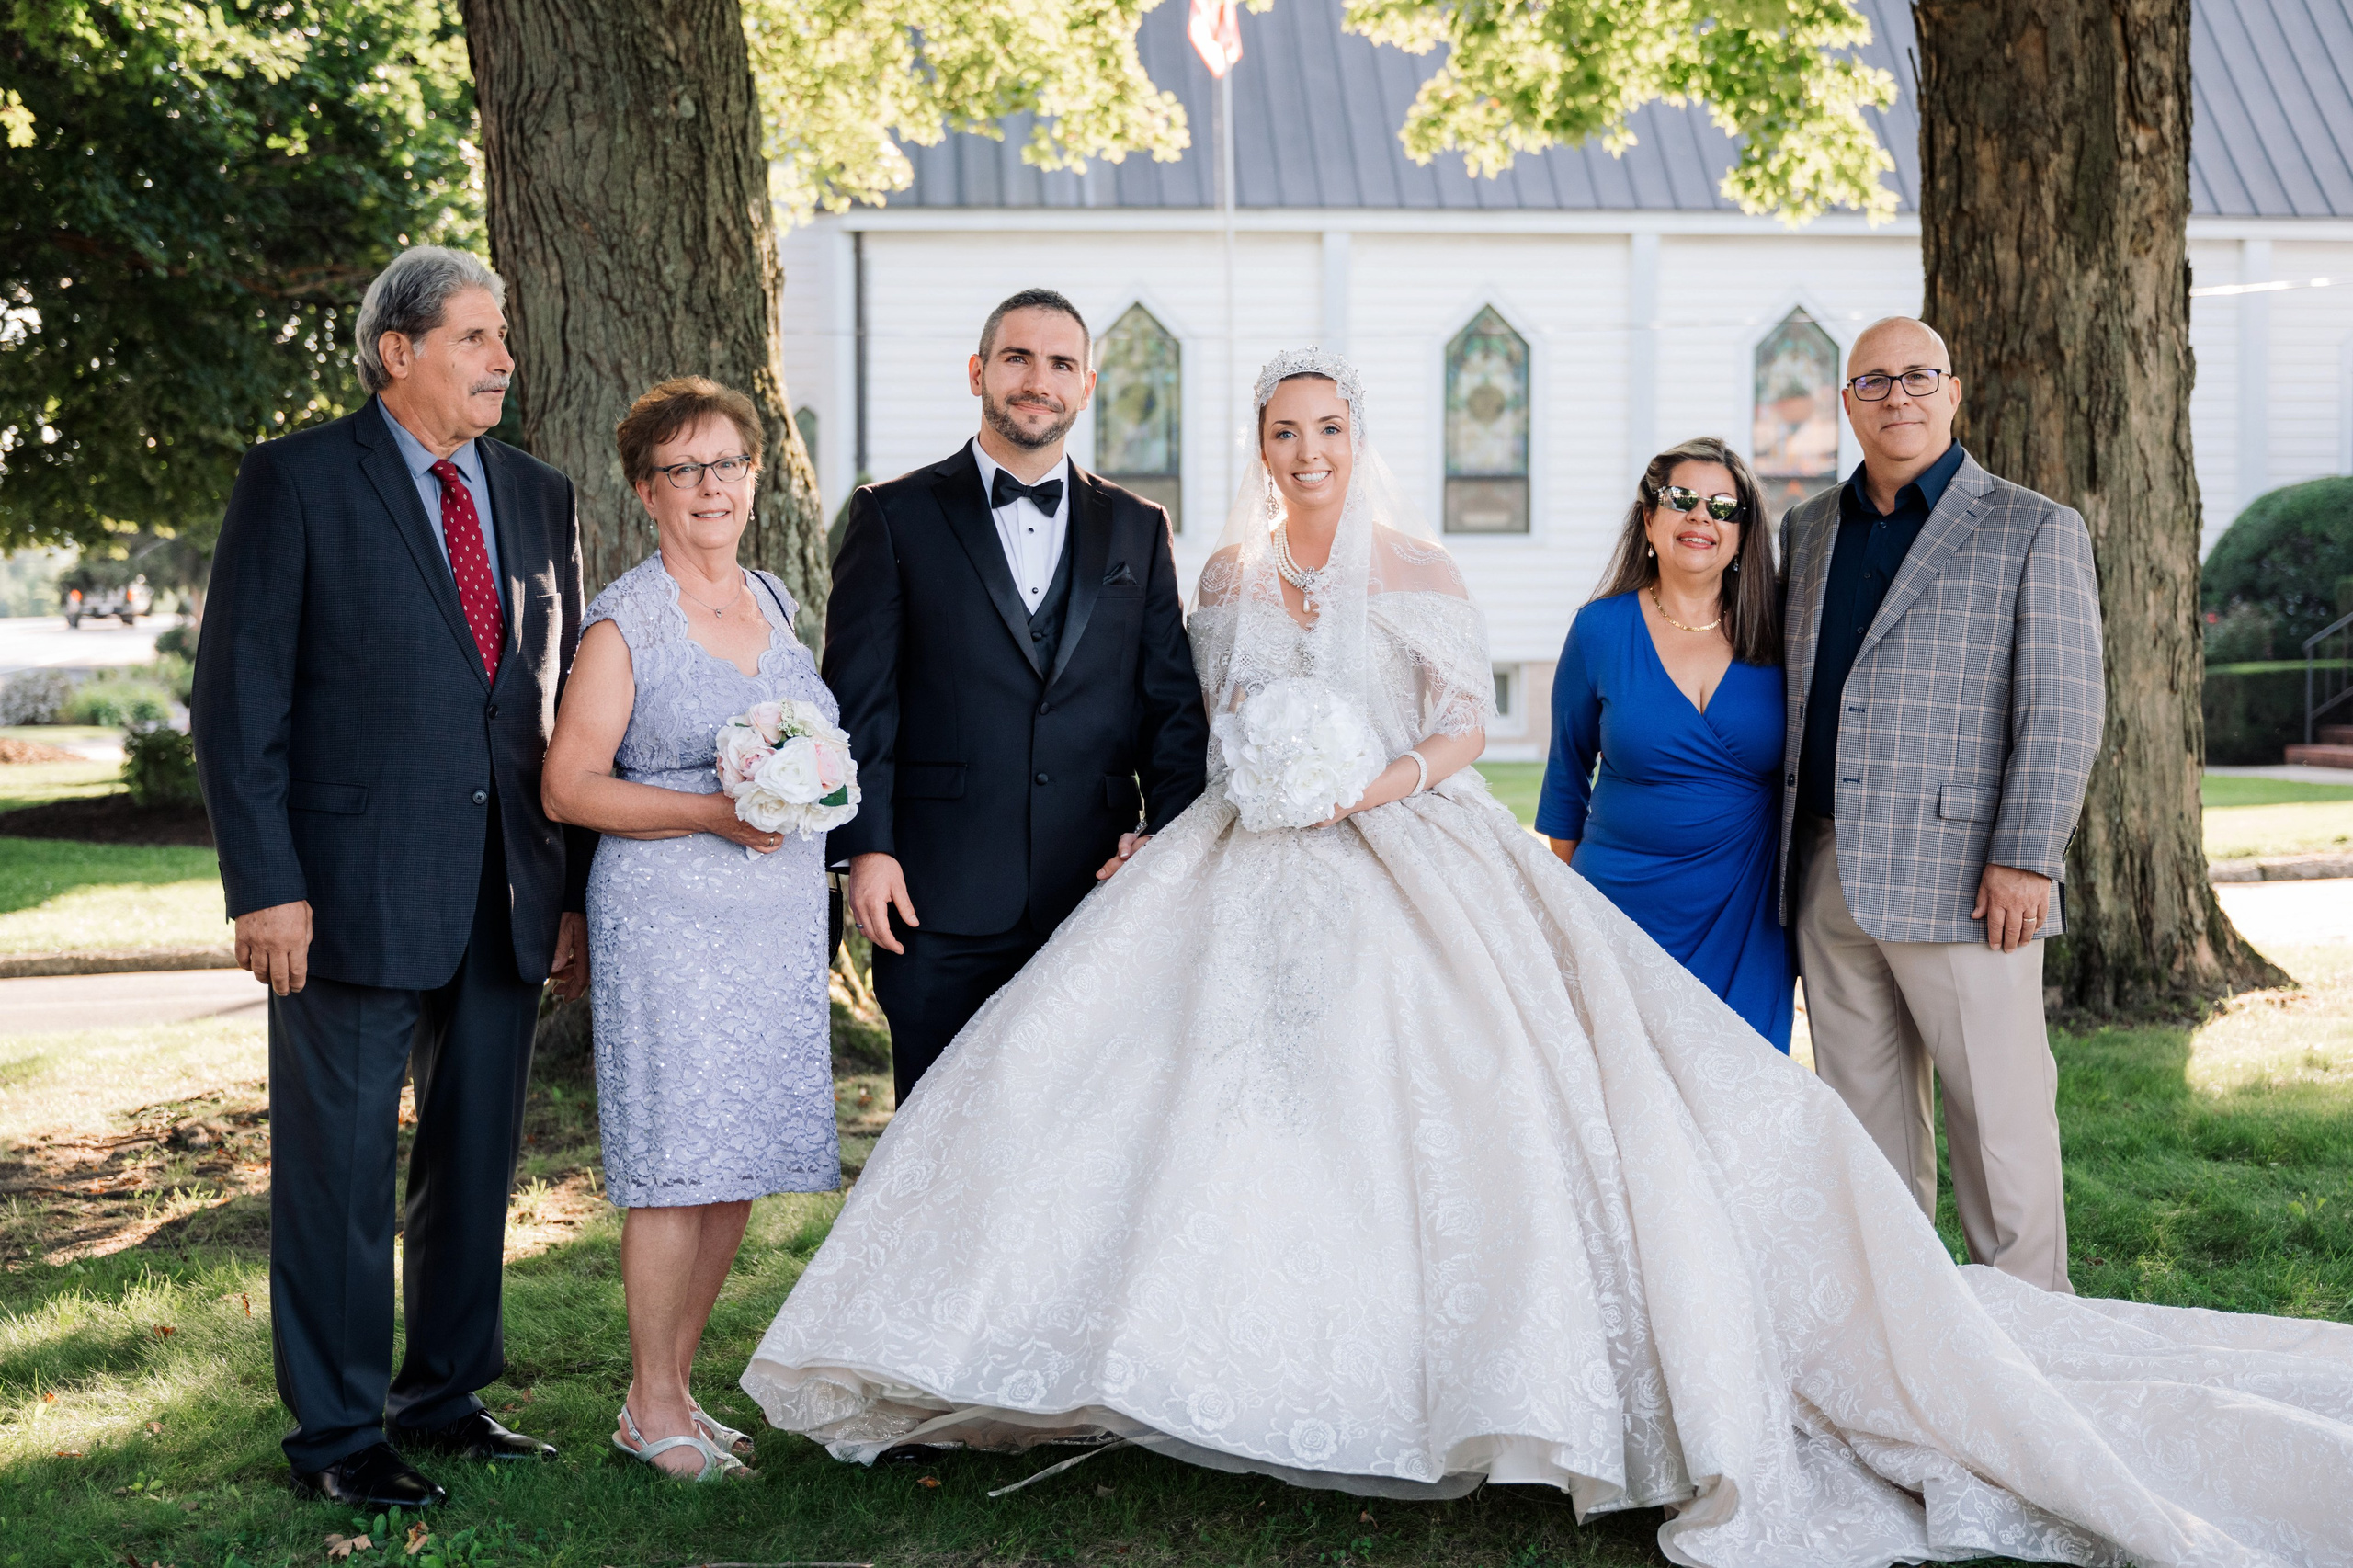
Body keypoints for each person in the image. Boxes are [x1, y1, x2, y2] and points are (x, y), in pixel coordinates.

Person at [739, 348, 2353, 1567]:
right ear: (1260, 451)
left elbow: (1460, 732)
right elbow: (1191, 716)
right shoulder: (1218, 573)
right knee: (1196, 1106)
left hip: (1406, 854)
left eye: (1329, 430)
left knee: (1455, 1108)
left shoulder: (1425, 569)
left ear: (1359, 444)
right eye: (1283, 432)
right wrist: (1228, 797)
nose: (1306, 452)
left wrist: (1359, 785)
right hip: (1242, 865)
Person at [190, 246, 585, 1508]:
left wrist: (566, 887)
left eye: (501, 338)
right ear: (396, 349)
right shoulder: (298, 480)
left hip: (505, 888)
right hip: (343, 891)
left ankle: (446, 1394)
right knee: (339, 1170)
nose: (502, 362)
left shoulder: (538, 493)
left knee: (473, 1161)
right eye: (476, 339)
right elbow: (237, 700)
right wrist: (265, 884)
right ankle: (337, 1436)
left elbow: (550, 704)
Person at [540, 378, 839, 1482]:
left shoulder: (774, 596)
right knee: (674, 1163)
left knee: (733, 1160)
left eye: (728, 464)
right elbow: (570, 786)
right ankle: (656, 1405)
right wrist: (715, 811)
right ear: (645, 489)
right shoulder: (626, 622)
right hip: (667, 919)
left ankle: (661, 1391)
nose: (710, 485)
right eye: (683, 469)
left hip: (769, 922)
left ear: (755, 477)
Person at [1777, 315, 2102, 1295]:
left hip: (1968, 877)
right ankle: (1901, 1340)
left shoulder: (2032, 526)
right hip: (1827, 871)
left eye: (1918, 377)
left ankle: (2035, 1336)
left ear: (1953, 392)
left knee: (1998, 1126)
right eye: (1873, 382)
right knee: (1865, 1133)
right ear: (1848, 405)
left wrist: (2026, 855)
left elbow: (2065, 706)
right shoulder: (1806, 530)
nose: (1898, 397)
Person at [823, 287, 1210, 1106]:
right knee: (935, 1135)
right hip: (933, 896)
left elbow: (1170, 706)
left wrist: (1166, 845)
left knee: (1080, 1143)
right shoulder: (894, 515)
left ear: (1087, 386)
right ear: (979, 372)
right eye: (1018, 358)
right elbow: (860, 703)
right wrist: (868, 848)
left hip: (1097, 895)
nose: (1039, 380)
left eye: (1061, 363)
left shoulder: (1139, 527)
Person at [1536, 437, 1791, 1049]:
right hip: (1619, 903)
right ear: (1649, 520)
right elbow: (1566, 776)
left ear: (1741, 535)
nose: (1702, 516)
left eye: (1724, 507)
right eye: (1681, 500)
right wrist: (1579, 913)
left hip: (1745, 911)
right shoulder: (1599, 628)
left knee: (1741, 1096)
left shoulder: (1782, 629)